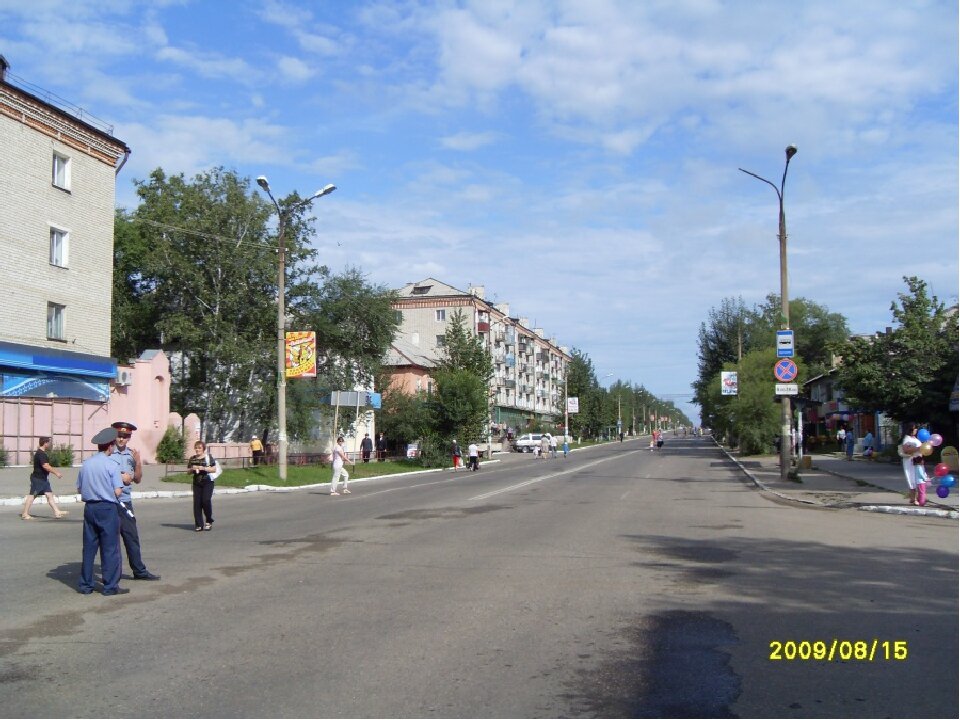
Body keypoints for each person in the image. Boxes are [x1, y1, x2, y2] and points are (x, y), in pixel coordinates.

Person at [76, 427, 127, 596]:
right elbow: (118, 491)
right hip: (107, 508)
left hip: (90, 508)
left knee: (89, 547)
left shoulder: (86, 464)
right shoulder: (112, 465)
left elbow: (79, 488)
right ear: (110, 446)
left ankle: (86, 585)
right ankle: (110, 586)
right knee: (110, 548)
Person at [110, 421, 160, 580]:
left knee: (131, 536)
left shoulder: (132, 454)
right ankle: (113, 574)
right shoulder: (108, 452)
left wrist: (138, 462)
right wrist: (120, 477)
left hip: (125, 502)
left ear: (129, 438)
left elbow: (137, 479)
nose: (121, 439)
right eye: (119, 435)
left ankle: (139, 570)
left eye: (125, 436)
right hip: (110, 501)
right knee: (112, 540)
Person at [20, 436, 69, 520]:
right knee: (32, 496)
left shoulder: (42, 453)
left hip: (44, 479)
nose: (50, 444)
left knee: (49, 495)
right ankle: (25, 514)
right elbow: (45, 466)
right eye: (49, 442)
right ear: (45, 443)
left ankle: (57, 512)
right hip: (38, 479)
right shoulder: (41, 454)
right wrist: (56, 473)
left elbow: (46, 465)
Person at [187, 441, 217, 531]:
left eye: (199, 448)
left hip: (207, 482)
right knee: (197, 504)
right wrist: (192, 469)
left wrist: (203, 468)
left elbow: (214, 469)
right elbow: (188, 472)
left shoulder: (208, 457)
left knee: (206, 500)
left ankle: (209, 520)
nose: (197, 449)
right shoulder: (192, 459)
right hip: (197, 483)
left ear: (203, 449)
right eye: (196, 448)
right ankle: (199, 524)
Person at [898, 424, 922, 505]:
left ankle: (915, 497)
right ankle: (913, 498)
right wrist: (918, 449)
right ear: (911, 429)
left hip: (918, 460)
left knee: (918, 478)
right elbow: (905, 450)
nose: (916, 430)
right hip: (910, 460)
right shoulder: (907, 438)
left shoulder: (915, 438)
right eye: (915, 429)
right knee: (912, 478)